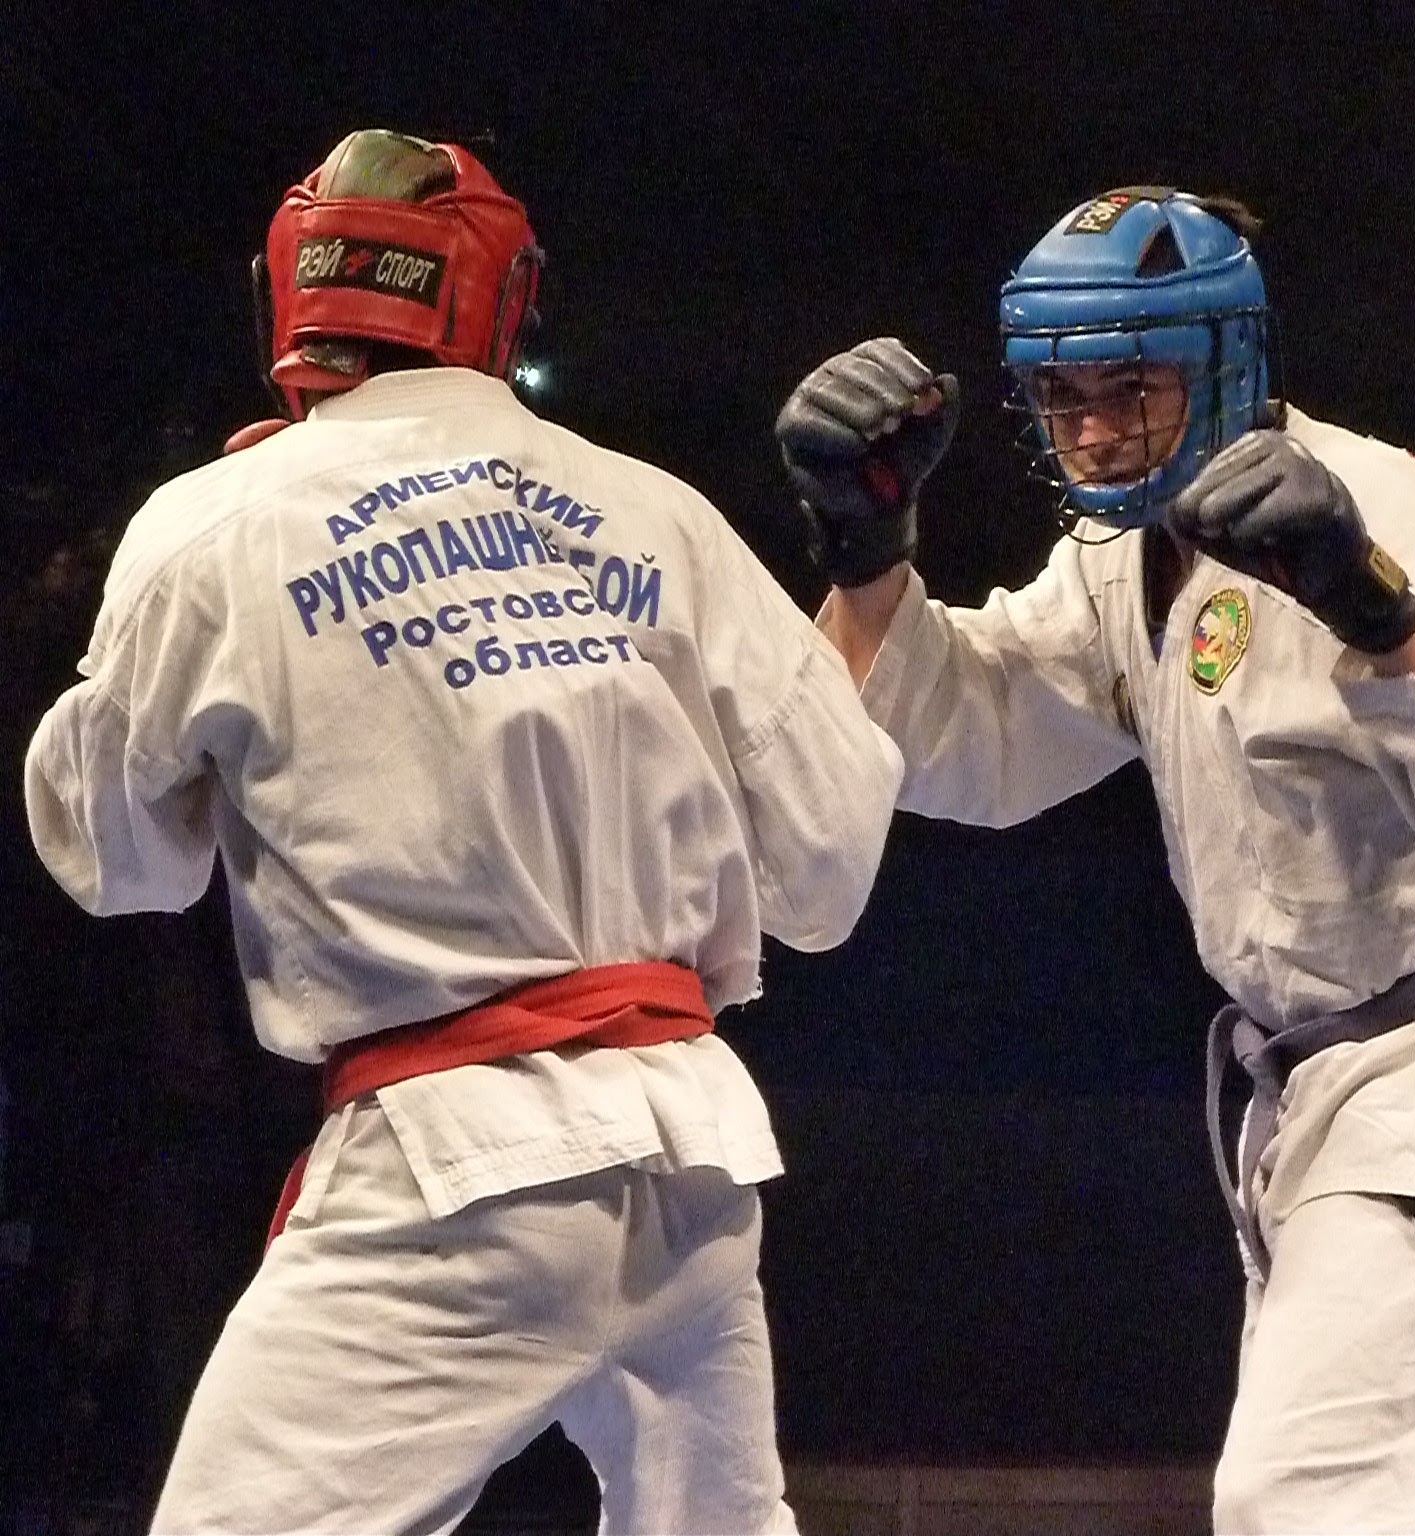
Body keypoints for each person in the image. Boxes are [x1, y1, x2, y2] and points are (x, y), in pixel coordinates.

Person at [24, 127, 903, 1535]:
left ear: (288, 295)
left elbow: (117, 862)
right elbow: (832, 868)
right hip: (689, 1161)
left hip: (458, 1171)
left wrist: (135, 633)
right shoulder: (656, 512)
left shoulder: (217, 523)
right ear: (503, 299)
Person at [775, 186, 1415, 1534]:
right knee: (1330, 1505)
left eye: (1127, 391)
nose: (1091, 430)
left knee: (1295, 1498)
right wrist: (867, 553)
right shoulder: (1123, 550)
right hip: (1307, 1094)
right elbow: (974, 737)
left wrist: (1368, 596)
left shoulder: (1375, 496)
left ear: (1225, 361)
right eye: (1062, 398)